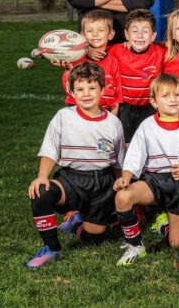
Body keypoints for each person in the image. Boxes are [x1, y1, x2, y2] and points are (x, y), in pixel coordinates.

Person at [25, 63, 125, 268]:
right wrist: (43, 176)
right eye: (80, 89)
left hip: (102, 184)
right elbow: (49, 150)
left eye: (92, 88)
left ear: (102, 89)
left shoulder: (113, 123)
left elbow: (118, 161)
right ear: (71, 92)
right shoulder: (63, 116)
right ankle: (52, 248)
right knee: (41, 192)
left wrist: (120, 184)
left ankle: (77, 223)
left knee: (94, 240)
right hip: (71, 179)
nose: (86, 94)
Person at [114, 73, 179, 267]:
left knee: (176, 243)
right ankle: (135, 246)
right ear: (154, 102)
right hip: (154, 181)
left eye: (178, 95)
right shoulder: (147, 126)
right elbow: (134, 157)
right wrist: (126, 178)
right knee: (123, 197)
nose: (173, 99)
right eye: (166, 96)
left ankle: (163, 225)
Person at [109, 9, 165, 142]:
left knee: (147, 142)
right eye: (134, 31)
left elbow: (178, 49)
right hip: (125, 108)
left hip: (149, 107)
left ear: (153, 36)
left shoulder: (161, 52)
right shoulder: (116, 51)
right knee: (125, 143)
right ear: (126, 35)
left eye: (145, 31)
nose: (140, 35)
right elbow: (95, 52)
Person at [59, 9, 121, 116]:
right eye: (90, 31)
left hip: (105, 114)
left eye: (101, 30)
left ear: (110, 34)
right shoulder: (76, 59)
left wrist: (113, 115)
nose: (95, 34)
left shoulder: (113, 61)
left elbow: (117, 91)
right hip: (78, 113)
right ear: (82, 35)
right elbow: (69, 90)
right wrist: (68, 70)